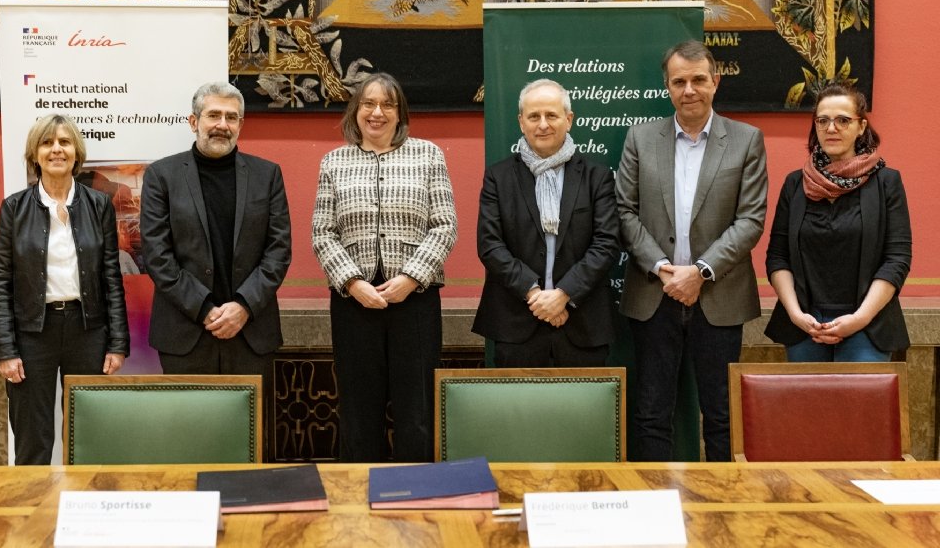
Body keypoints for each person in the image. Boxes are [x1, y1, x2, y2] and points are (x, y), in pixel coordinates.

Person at [615, 40, 768, 462]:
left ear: (715, 82)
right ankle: (655, 513)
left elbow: (750, 220)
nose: (689, 90)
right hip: (654, 293)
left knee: (720, 414)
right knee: (650, 413)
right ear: (667, 87)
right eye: (679, 81)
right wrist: (664, 269)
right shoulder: (641, 138)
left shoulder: (746, 140)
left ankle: (721, 511)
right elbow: (624, 211)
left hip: (719, 296)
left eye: (698, 79)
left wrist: (699, 272)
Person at [312, 72, 458, 462]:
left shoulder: (428, 155)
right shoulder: (333, 162)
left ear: (399, 112)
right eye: (368, 104)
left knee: (417, 411)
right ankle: (359, 500)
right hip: (354, 303)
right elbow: (323, 233)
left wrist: (411, 278)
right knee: (359, 411)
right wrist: (353, 282)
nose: (377, 113)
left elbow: (445, 225)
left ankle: (417, 500)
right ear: (355, 111)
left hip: (415, 301)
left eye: (387, 105)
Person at [0, 114, 129, 465]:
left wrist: (117, 342)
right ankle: (33, 514)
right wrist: (6, 349)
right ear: (34, 154)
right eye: (47, 143)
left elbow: (111, 276)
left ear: (76, 152)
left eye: (65, 142)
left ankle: (85, 514)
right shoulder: (14, 208)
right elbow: (2, 281)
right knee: (33, 440)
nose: (57, 150)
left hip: (88, 331)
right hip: (32, 335)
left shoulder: (98, 206)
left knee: (89, 437)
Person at [140, 82, 291, 383]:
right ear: (194, 122)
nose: (222, 125)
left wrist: (243, 306)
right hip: (185, 332)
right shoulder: (161, 176)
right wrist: (204, 308)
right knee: (189, 429)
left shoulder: (267, 175)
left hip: (250, 332)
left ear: (240, 124)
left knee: (248, 429)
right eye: (214, 115)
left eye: (231, 117)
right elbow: (157, 255)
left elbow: (278, 250)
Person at [473, 79, 620, 367]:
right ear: (521, 122)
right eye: (533, 116)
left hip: (583, 323)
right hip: (517, 322)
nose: (543, 124)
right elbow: (490, 245)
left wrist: (563, 295)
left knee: (584, 413)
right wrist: (535, 294)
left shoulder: (596, 177)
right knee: (517, 412)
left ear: (568, 119)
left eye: (551, 115)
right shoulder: (498, 178)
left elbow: (607, 244)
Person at [765, 83, 911, 361]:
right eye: (823, 120)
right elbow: (778, 257)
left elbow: (897, 259)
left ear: (861, 126)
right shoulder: (795, 184)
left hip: (868, 324)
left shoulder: (887, 182)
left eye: (843, 120)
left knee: (858, 405)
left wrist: (859, 319)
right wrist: (796, 315)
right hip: (804, 326)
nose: (831, 128)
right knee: (809, 406)